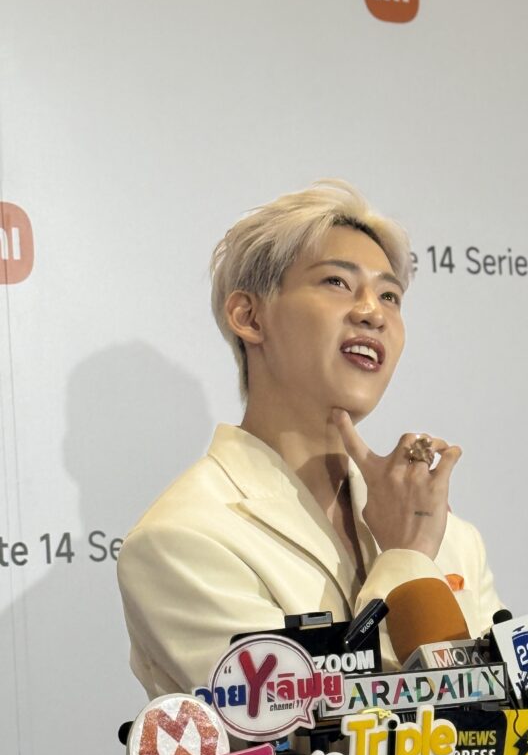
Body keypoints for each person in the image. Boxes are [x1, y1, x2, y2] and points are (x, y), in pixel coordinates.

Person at [118, 179, 503, 698]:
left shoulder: (451, 537)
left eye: (389, 295)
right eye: (337, 283)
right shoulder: (183, 538)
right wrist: (407, 561)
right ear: (249, 317)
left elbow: (511, 720)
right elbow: (313, 723)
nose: (373, 312)